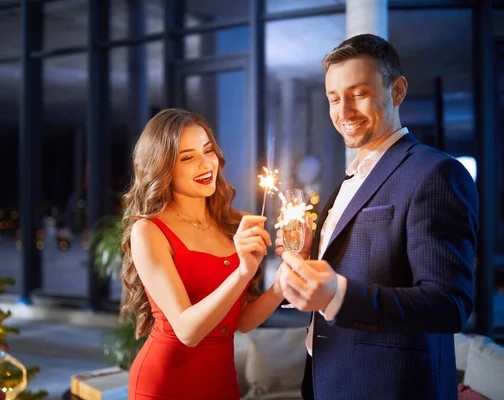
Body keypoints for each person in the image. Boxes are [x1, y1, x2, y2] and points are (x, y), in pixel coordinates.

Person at [275, 34, 479, 399]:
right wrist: (310, 257)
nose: (344, 111)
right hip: (327, 379)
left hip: (389, 387)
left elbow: (449, 304)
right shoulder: (347, 181)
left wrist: (338, 294)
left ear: (397, 90)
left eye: (359, 93)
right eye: (334, 98)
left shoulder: (436, 173)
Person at [121, 108, 285, 400]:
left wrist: (284, 283)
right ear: (163, 168)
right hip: (165, 385)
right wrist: (242, 272)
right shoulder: (148, 230)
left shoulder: (234, 222)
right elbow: (187, 331)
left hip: (221, 383)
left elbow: (241, 321)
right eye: (187, 157)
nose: (205, 163)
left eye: (207, 150)